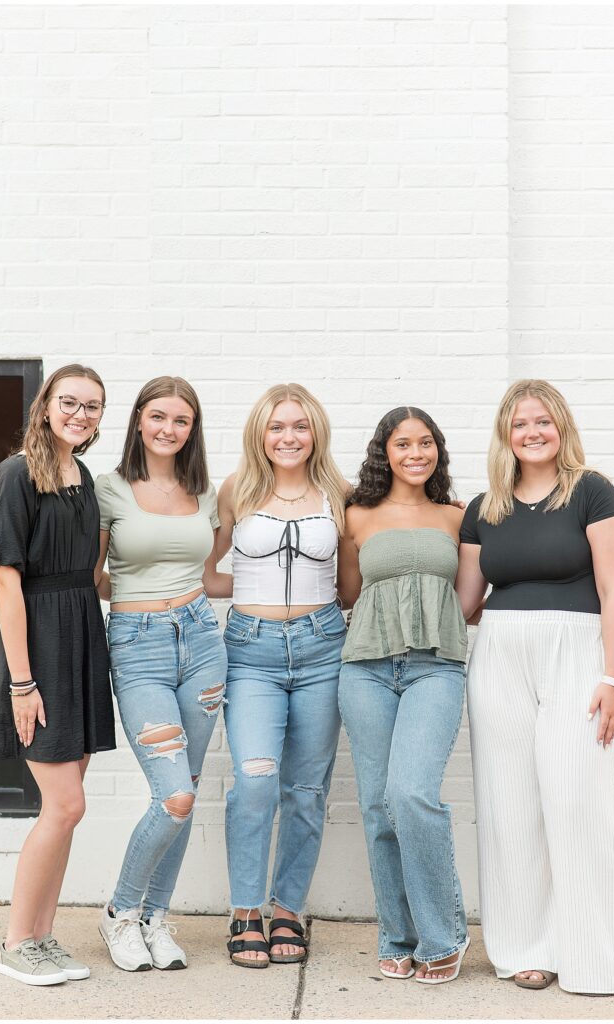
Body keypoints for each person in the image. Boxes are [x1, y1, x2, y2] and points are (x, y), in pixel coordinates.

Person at [455, 379, 614, 994]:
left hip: (578, 653)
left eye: (543, 421)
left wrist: (613, 678)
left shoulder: (591, 491)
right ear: (504, 434)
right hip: (502, 656)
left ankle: (597, 954)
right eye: (519, 423)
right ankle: (525, 948)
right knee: (509, 805)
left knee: (576, 798)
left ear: (560, 427)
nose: (532, 432)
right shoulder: (484, 507)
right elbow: (465, 603)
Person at [0, 364, 115, 986]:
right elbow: (6, 580)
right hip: (38, 647)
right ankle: (16, 941)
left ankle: (42, 935)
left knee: (67, 808)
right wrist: (21, 681)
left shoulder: (82, 475)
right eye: (70, 402)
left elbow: (89, 573)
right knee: (64, 804)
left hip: (82, 636)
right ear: (45, 406)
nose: (80, 415)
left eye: (92, 407)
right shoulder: (17, 473)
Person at [95, 376, 229, 972]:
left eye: (181, 420)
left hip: (202, 642)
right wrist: (136, 608)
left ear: (192, 429)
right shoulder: (109, 489)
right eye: (158, 417)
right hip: (139, 645)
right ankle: (121, 914)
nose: (169, 429)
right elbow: (93, 576)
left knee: (189, 790)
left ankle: (154, 918)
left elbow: (212, 574)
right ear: (139, 422)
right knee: (172, 795)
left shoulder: (206, 494)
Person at [216, 383, 348, 968]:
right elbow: (206, 571)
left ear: (315, 431)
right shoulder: (236, 491)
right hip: (250, 652)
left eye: (299, 426)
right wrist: (252, 597)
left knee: (305, 791)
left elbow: (351, 585)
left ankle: (287, 908)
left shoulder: (340, 494)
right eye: (276, 426)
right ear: (260, 434)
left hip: (323, 650)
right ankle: (246, 909)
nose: (288, 437)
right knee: (256, 780)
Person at [337, 406, 470, 984]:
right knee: (377, 807)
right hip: (364, 668)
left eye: (425, 443)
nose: (415, 454)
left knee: (411, 792)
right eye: (402, 444)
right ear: (383, 453)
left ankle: (444, 935)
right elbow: (347, 592)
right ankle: (397, 935)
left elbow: (469, 603)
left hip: (435, 668)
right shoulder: (356, 515)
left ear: (437, 449)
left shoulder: (459, 517)